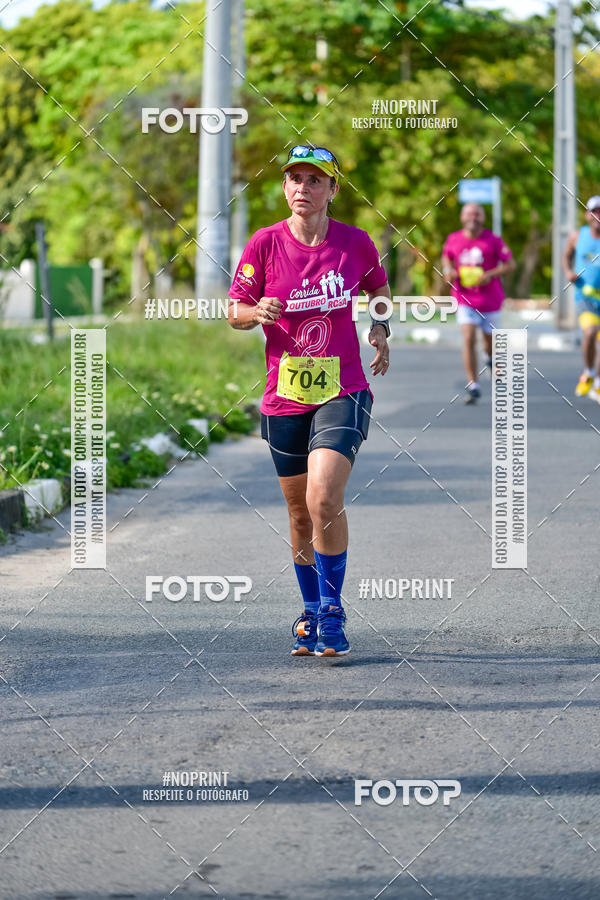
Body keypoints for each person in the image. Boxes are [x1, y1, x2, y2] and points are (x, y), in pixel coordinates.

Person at [227, 145, 391, 657]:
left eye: (314, 180)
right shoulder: (265, 243)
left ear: (333, 190)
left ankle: (333, 612)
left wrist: (380, 327)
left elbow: (378, 289)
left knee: (324, 498)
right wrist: (256, 312)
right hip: (284, 396)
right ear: (284, 188)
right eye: (294, 179)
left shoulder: (355, 244)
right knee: (300, 514)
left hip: (343, 389)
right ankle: (311, 609)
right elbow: (233, 310)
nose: (303, 188)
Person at [442, 203, 515, 404]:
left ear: (483, 217)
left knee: (488, 342)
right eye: (469, 214)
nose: (473, 217)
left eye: (477, 214)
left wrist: (490, 275)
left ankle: (490, 359)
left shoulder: (493, 241)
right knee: (468, 337)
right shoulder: (453, 239)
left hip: (490, 301)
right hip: (464, 299)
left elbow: (510, 264)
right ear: (462, 217)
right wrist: (449, 271)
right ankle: (473, 384)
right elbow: (446, 259)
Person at [562, 196, 600, 401]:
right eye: (595, 211)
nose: (598, 216)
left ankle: (597, 384)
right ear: (587, 214)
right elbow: (566, 255)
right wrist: (568, 271)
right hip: (585, 297)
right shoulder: (577, 236)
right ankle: (589, 372)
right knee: (591, 332)